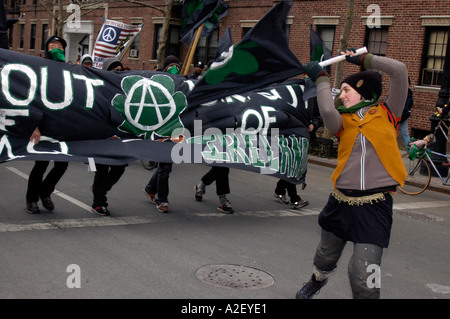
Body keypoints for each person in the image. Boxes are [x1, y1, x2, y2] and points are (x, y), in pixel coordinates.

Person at [296, 49, 408, 299]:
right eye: (341, 90)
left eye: (347, 90)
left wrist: (362, 59)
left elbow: (399, 71)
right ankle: (316, 281)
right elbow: (326, 110)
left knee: (365, 274)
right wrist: (322, 78)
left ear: (365, 91)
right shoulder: (341, 122)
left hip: (375, 207)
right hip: (340, 202)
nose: (342, 95)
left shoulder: (388, 114)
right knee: (325, 255)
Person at [26, 35, 70, 214]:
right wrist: (34, 125)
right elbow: (31, 97)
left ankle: (45, 192)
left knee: (62, 164)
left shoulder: (69, 70)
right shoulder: (38, 68)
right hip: (44, 124)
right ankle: (32, 199)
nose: (56, 48)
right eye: (53, 46)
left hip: (63, 125)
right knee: (41, 164)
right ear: (46, 48)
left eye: (60, 46)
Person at [143, 55, 181, 213]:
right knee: (165, 166)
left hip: (175, 130)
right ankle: (162, 199)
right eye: (172, 66)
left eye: (177, 66)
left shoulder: (180, 84)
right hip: (160, 130)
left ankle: (151, 187)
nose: (175, 69)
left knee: (167, 165)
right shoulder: (157, 84)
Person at [89, 57, 126, 216]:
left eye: (120, 70)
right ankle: (99, 202)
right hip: (101, 136)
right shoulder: (99, 89)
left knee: (120, 168)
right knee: (101, 170)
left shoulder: (125, 91)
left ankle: (100, 189)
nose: (117, 73)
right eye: (114, 70)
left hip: (118, 138)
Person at [274, 97, 322, 209]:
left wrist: (313, 125)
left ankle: (280, 189)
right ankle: (294, 198)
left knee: (295, 167)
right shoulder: (288, 96)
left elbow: (318, 117)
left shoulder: (312, 98)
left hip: (304, 138)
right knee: (292, 165)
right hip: (289, 137)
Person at [398, 77, 413, 149]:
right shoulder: (396, 92)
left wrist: (403, 117)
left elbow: (407, 108)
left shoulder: (409, 95)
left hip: (402, 118)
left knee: (405, 135)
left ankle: (410, 151)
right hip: (394, 118)